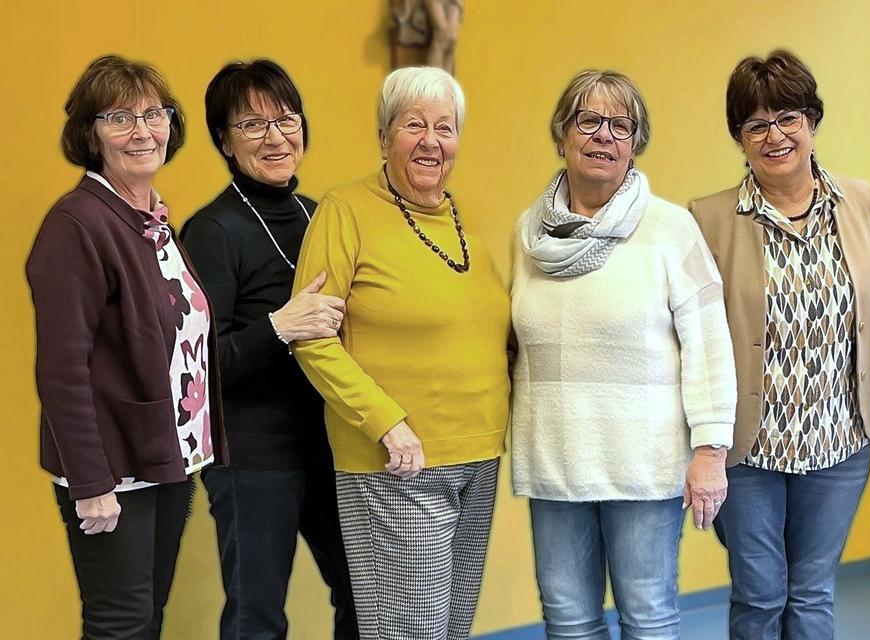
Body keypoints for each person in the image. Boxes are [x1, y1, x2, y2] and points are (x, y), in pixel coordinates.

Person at [509, 69, 736, 640]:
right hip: (555, 459)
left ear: (635, 142)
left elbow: (709, 340)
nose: (603, 136)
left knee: (648, 618)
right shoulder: (528, 233)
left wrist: (710, 450)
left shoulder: (669, 228)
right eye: (589, 120)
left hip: (645, 465)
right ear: (562, 134)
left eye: (620, 125)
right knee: (567, 621)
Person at [290, 65, 509, 640]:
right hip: (396, 462)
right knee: (407, 634)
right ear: (384, 137)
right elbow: (312, 337)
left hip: (477, 456)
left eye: (445, 127)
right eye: (414, 125)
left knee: (451, 630)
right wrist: (388, 423)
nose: (431, 141)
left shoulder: (467, 217)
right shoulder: (344, 211)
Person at [26, 54, 227, 639]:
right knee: (121, 624)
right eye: (119, 117)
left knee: (148, 618)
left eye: (154, 114)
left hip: (167, 458)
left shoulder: (151, 221)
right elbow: (63, 372)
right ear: (90, 134)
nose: (142, 130)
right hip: (113, 471)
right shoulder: (77, 224)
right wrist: (91, 485)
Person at [688, 50, 870, 639]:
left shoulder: (859, 202)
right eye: (756, 124)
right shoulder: (708, 219)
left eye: (788, 117)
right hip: (750, 451)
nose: (775, 136)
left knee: (813, 594)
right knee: (760, 595)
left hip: (840, 439)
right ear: (740, 137)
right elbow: (697, 340)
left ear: (812, 121)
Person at [179, 59, 356, 639]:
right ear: (224, 141)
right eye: (253, 125)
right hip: (252, 456)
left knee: (363, 596)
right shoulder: (212, 230)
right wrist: (280, 325)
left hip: (331, 443)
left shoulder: (320, 216)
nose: (276, 136)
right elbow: (196, 369)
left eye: (286, 119)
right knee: (258, 617)